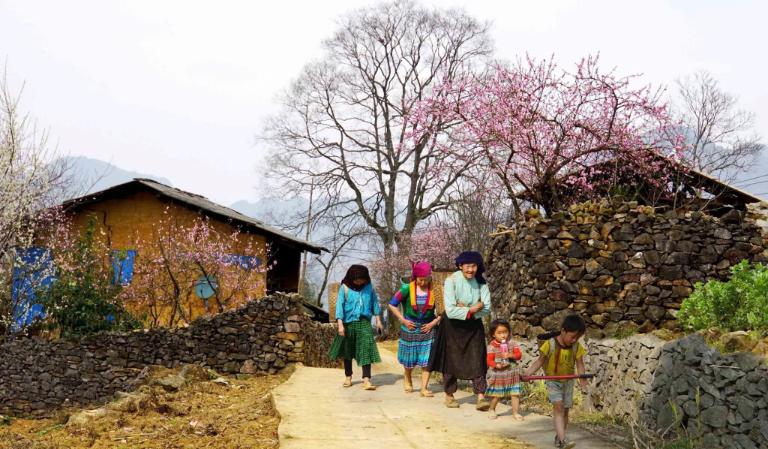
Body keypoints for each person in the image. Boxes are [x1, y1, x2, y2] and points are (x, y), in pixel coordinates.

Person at [428, 251, 491, 410]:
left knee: (478, 358)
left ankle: (481, 397)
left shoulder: (481, 282)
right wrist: (472, 308)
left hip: (473, 325)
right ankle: (449, 395)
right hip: (452, 327)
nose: (471, 270)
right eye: (467, 266)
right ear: (460, 266)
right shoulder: (452, 281)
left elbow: (487, 307)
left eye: (474, 266)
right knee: (451, 360)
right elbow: (450, 310)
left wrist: (469, 310)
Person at [525, 314, 589, 449]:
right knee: (558, 407)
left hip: (568, 382)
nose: (574, 340)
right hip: (553, 381)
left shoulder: (576, 347)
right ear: (563, 330)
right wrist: (528, 374)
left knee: (565, 411)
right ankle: (563, 440)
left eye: (577, 338)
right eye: (573, 337)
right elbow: (539, 362)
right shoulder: (550, 344)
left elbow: (580, 365)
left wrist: (583, 381)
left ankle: (560, 436)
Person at [387, 261, 441, 397]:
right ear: (415, 277)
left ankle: (424, 388)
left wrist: (433, 323)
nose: (423, 283)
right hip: (409, 328)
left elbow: (443, 311)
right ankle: (407, 377)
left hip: (428, 329)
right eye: (420, 280)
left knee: (427, 359)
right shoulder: (406, 288)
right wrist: (403, 320)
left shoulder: (436, 290)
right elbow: (392, 305)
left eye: (426, 279)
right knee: (409, 359)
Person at [328, 264, 383, 391]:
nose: (360, 282)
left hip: (364, 322)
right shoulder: (344, 288)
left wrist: (378, 320)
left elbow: (374, 303)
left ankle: (367, 379)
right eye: (358, 279)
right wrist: (340, 325)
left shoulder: (369, 288)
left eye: (362, 279)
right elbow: (339, 307)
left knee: (366, 349)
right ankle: (348, 377)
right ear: (351, 277)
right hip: (348, 323)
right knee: (348, 351)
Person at [485, 319, 523, 420]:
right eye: (499, 333)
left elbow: (519, 355)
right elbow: (489, 360)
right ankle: (492, 409)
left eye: (505, 332)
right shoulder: (491, 346)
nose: (503, 335)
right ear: (493, 334)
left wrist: (511, 355)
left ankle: (515, 413)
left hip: (512, 372)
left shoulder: (512, 343)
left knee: (515, 393)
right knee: (497, 394)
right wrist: (496, 365)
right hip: (499, 374)